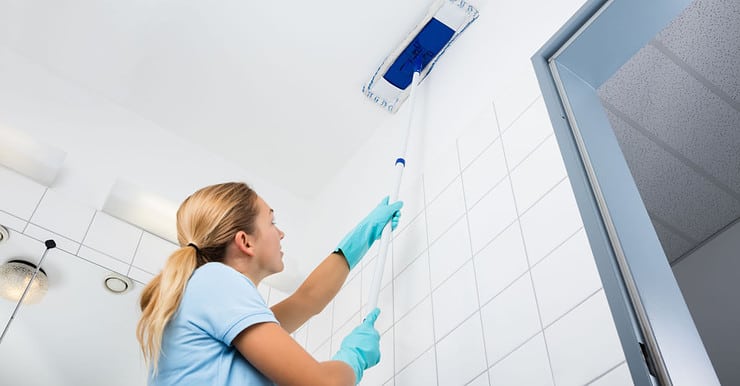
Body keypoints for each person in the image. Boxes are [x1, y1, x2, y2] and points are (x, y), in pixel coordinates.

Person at [136, 182, 403, 385]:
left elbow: (306, 300)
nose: (281, 232)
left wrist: (362, 237)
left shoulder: (210, 295)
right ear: (245, 241)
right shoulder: (215, 280)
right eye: (272, 221)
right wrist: (353, 357)